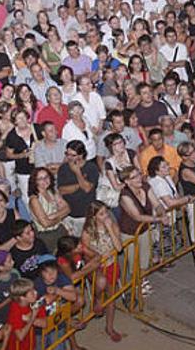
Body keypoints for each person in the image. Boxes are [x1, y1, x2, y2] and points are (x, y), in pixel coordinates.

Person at [80, 200, 123, 342]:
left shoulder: (112, 225)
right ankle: (97, 299)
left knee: (111, 297)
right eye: (102, 214)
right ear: (94, 217)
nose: (106, 215)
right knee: (101, 282)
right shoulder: (87, 231)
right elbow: (85, 254)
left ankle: (109, 327)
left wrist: (110, 228)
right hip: (96, 267)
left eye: (106, 212)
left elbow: (119, 248)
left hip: (111, 265)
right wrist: (99, 257)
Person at [57, 140, 98, 236]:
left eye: (73, 155)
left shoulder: (91, 167)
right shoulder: (63, 168)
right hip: (68, 214)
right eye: (67, 154)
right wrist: (80, 184)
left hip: (85, 214)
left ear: (81, 155)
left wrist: (77, 172)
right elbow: (62, 190)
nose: (69, 157)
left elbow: (87, 189)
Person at [3, 278, 44, 350]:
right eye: (31, 292)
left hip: (31, 345)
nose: (36, 292)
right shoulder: (15, 309)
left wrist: (28, 318)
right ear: (22, 297)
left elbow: (44, 323)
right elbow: (20, 336)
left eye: (34, 290)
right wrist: (33, 317)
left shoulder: (35, 302)